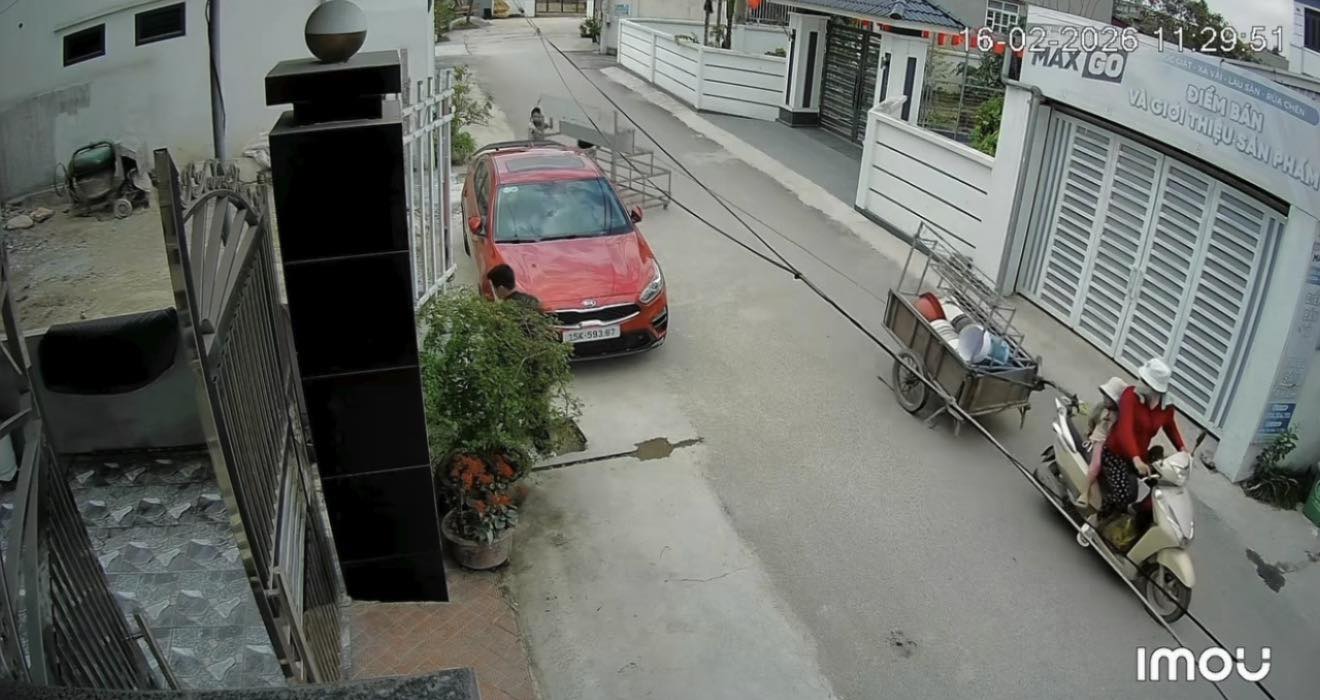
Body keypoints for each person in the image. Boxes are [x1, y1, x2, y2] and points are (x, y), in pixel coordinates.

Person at [1099, 358, 1186, 517]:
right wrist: (1136, 459)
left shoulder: (1165, 408)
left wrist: (1182, 449)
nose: (1137, 382)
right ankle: (1099, 518)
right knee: (1124, 495)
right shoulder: (1130, 396)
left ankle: (1134, 518)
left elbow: (1170, 426)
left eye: (1143, 380)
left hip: (1140, 457)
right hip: (1115, 454)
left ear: (1153, 388)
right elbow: (1125, 429)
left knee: (1159, 490)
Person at [1082, 376, 1127, 511]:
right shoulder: (1103, 411)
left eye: (1109, 397)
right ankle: (1085, 493)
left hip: (1108, 446)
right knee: (1096, 464)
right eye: (1106, 395)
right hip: (1097, 441)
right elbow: (1091, 423)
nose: (1106, 398)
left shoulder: (1119, 415)